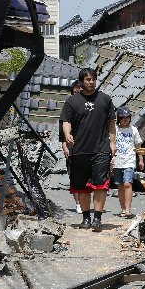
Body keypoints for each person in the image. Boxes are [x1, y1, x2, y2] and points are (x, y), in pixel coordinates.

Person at [60, 68, 116, 232]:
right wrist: (67, 134)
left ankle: (97, 218)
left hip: (100, 149)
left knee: (101, 185)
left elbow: (111, 122)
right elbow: (65, 120)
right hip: (79, 150)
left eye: (93, 79)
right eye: (88, 79)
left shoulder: (105, 99)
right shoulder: (72, 101)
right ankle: (86, 218)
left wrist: (113, 142)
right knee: (82, 187)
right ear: (81, 82)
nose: (91, 82)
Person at [111, 106, 143, 218]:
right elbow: (110, 144)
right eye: (122, 117)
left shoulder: (133, 130)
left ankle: (128, 209)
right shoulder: (114, 129)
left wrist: (141, 159)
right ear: (118, 118)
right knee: (120, 185)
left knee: (127, 184)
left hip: (129, 160)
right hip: (117, 160)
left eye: (127, 117)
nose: (125, 119)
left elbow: (138, 145)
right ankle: (123, 209)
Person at [60, 79, 82, 213]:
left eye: (79, 91)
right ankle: (78, 203)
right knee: (74, 176)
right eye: (75, 91)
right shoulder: (68, 106)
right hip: (72, 146)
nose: (77, 93)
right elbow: (62, 126)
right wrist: (64, 145)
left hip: (87, 146)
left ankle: (84, 201)